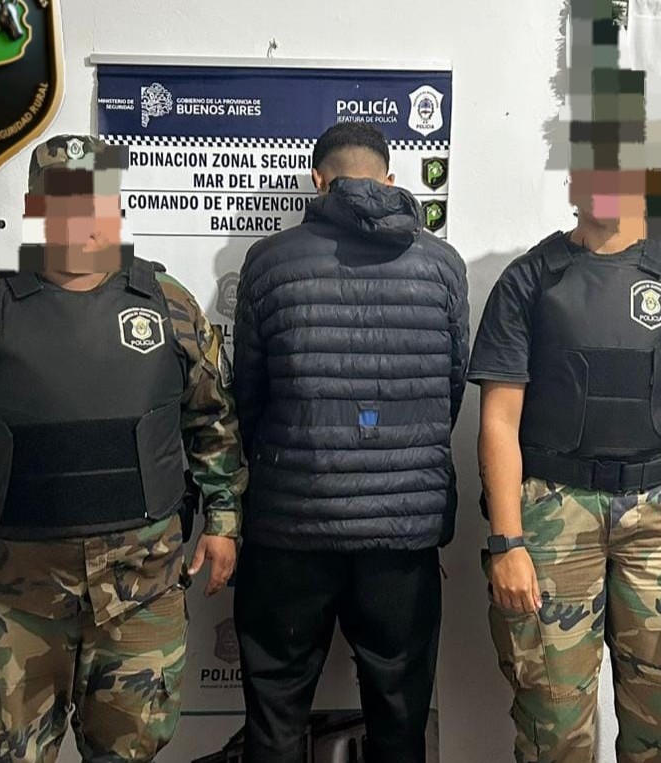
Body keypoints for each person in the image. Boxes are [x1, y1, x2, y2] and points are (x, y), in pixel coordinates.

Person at [0, 134, 247, 763]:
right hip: (12, 597)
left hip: (141, 589)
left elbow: (214, 420)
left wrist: (224, 520)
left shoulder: (169, 305)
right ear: (34, 209)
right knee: (12, 755)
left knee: (131, 752)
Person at [469, 162, 661, 761]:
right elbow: (498, 420)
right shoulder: (529, 280)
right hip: (552, 519)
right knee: (552, 724)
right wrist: (507, 543)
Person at [232, 123, 470, 763]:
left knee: (276, 714)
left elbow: (247, 394)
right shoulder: (441, 264)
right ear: (390, 179)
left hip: (291, 524)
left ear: (318, 180)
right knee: (399, 720)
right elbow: (449, 392)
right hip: (402, 537)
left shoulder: (269, 261)